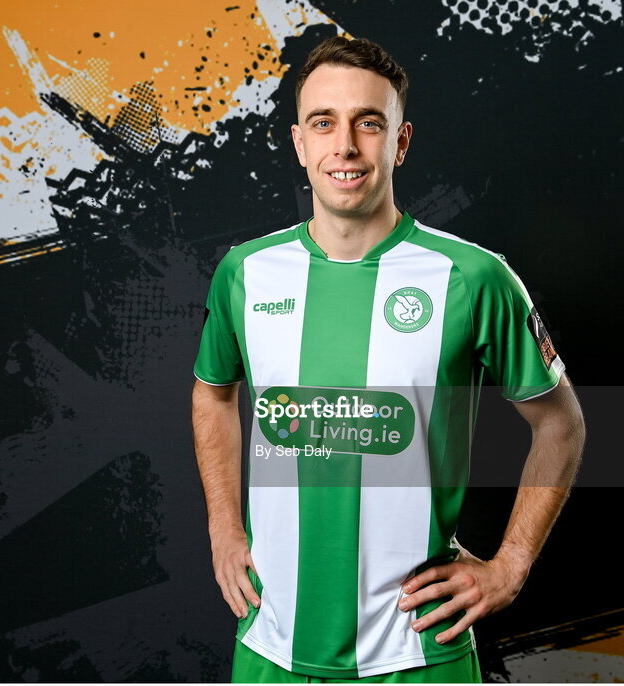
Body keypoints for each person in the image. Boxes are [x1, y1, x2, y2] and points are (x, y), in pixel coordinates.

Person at [191, 35, 585, 683]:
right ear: (300, 143)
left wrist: (510, 564)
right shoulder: (245, 273)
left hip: (417, 654)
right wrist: (223, 526)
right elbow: (213, 391)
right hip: (271, 646)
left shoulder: (473, 277)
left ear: (400, 142)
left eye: (368, 124)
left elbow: (560, 424)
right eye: (324, 123)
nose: (344, 146)